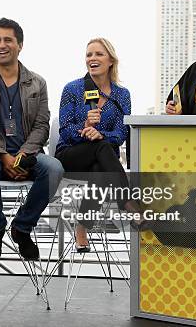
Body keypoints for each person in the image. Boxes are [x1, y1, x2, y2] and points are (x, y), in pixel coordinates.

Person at [0, 18, 64, 263]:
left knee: (54, 168)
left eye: (8, 40)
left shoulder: (37, 83)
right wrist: (3, 155)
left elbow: (42, 124)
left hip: (27, 156)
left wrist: (22, 156)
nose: (2, 45)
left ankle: (22, 227)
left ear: (20, 45)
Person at [55, 37, 136, 251]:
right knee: (103, 149)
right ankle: (127, 203)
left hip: (102, 158)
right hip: (71, 154)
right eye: (89, 54)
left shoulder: (122, 95)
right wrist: (85, 128)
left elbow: (121, 134)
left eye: (98, 54)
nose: (92, 58)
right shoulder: (72, 89)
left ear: (111, 60)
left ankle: (82, 226)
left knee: (101, 167)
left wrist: (100, 135)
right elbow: (65, 130)